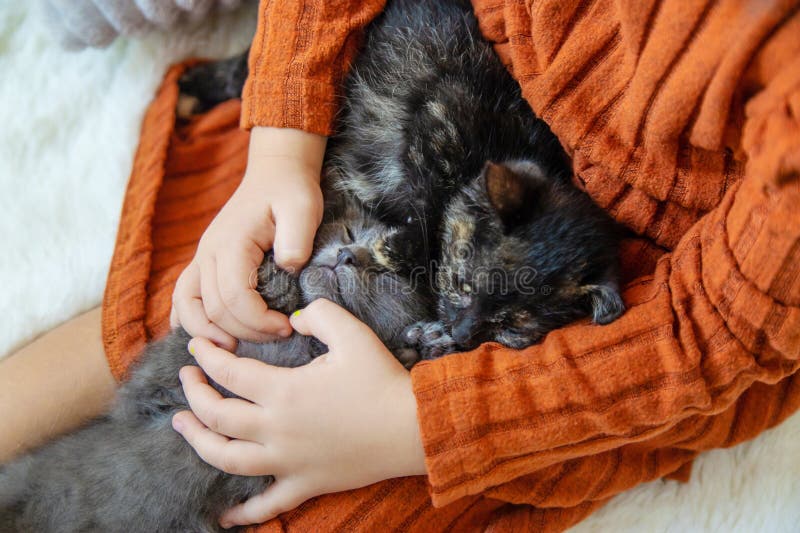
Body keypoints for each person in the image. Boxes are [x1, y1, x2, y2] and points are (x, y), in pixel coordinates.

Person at [3, 0, 799, 531]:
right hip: (472, 125)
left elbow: (709, 337)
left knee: (307, 496)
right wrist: (281, 141)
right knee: (208, 295)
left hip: (648, 316)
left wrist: (418, 429)